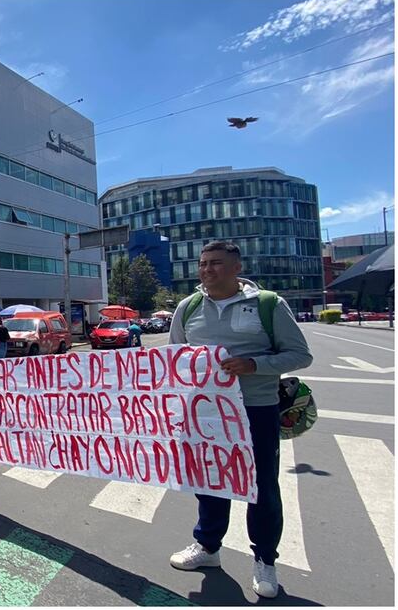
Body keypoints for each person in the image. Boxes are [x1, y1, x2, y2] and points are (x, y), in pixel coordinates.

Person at [167, 241, 312, 599]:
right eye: (202, 264)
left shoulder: (268, 305)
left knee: (261, 486)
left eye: (216, 263)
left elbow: (300, 355)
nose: (206, 270)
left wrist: (254, 365)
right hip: (205, 411)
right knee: (210, 480)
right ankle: (208, 548)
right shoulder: (188, 308)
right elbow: (174, 359)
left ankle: (265, 559)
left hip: (255, 409)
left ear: (236, 267)